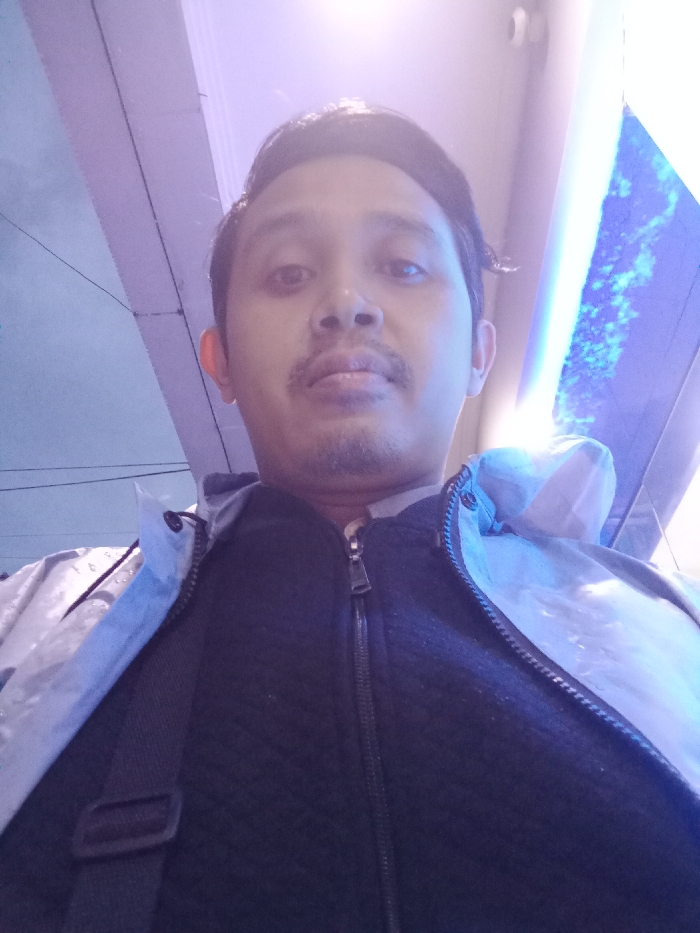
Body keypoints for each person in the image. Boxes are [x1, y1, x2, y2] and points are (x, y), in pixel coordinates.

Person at [1, 102, 700, 933]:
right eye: (288, 274)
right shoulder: (35, 618)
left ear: (479, 350)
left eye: (403, 266)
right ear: (221, 361)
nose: (345, 302)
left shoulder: (668, 623)